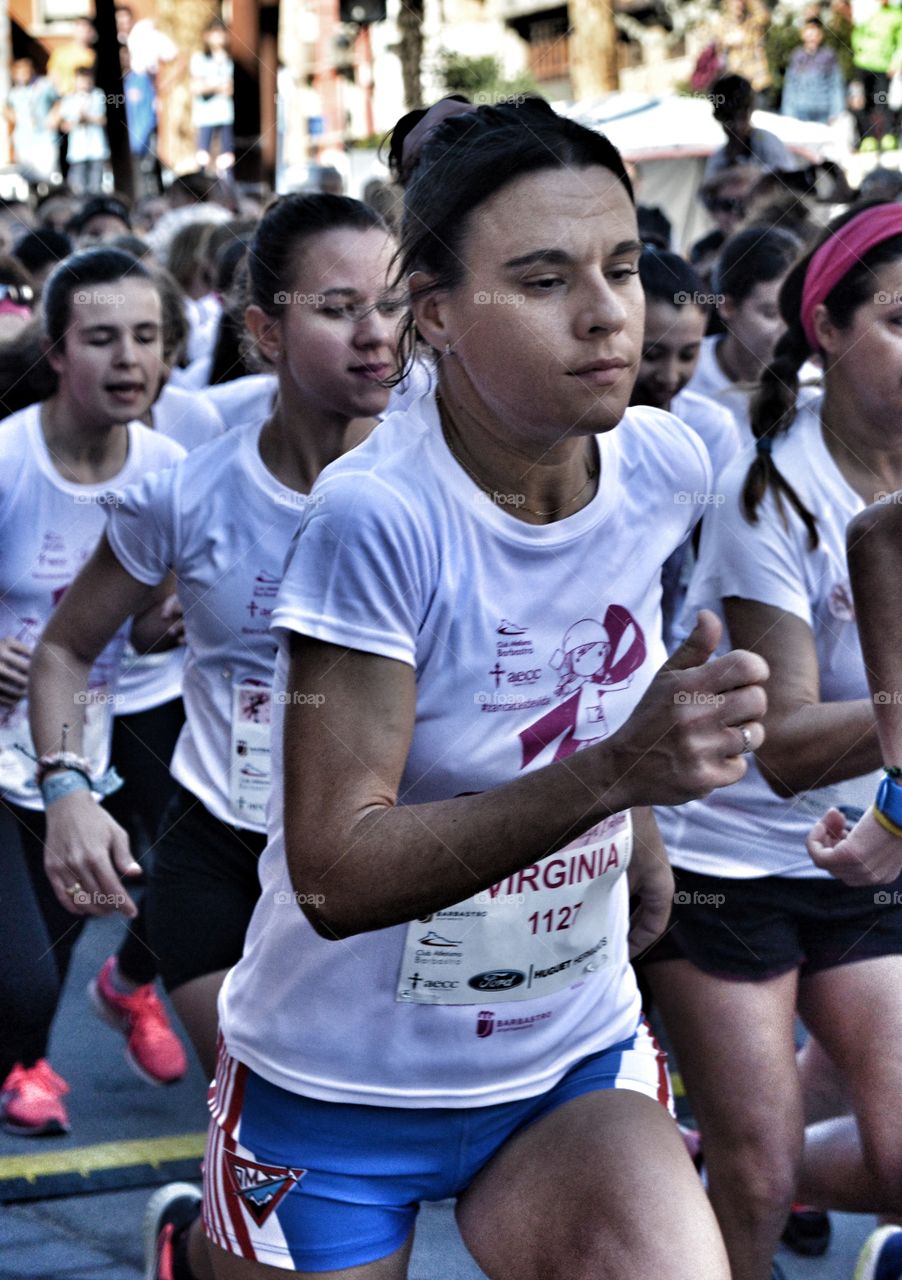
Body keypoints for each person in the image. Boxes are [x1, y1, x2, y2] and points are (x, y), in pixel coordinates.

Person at [197, 98, 766, 1279]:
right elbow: (335, 869)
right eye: (545, 279)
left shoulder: (667, 459)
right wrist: (617, 777)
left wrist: (639, 822)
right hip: (336, 1077)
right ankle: (195, 1245)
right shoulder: (378, 515)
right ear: (438, 314)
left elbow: (599, 672)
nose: (609, 310)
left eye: (620, 266)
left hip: (565, 1055)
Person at [28, 193, 401, 1280]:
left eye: (390, 304)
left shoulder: (449, 481)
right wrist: (67, 788)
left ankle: (194, 1251)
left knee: (333, 1173)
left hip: (386, 855)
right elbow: (65, 649)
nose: (375, 331)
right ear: (264, 330)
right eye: (339, 307)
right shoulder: (189, 488)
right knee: (275, 1128)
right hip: (227, 853)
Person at [646, 201, 902, 1280]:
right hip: (724, 865)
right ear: (827, 329)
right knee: (753, 1179)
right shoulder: (767, 495)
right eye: (899, 318)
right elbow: (786, 745)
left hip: (869, 843)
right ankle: (711, 1187)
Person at [0, 248, 188, 1136]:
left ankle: (104, 1005)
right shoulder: (8, 459)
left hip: (115, 722)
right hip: (5, 739)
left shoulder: (167, 466)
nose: (128, 360)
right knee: (26, 970)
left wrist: (171, 622)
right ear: (58, 352)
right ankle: (23, 1052)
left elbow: (151, 621)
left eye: (146, 338)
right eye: (103, 339)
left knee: (186, 874)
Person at [629, 247, 742, 648]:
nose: (670, 375)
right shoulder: (578, 425)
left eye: (688, 355)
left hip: (666, 637)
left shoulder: (709, 429)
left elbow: (714, 554)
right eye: (652, 354)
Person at [685, 225, 803, 438]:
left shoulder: (812, 392)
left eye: (795, 315)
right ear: (727, 307)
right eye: (770, 313)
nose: (786, 331)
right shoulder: (683, 374)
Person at [705, 75, 797, 181]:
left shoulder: (766, 143)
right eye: (727, 118)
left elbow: (790, 182)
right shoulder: (718, 159)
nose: (734, 126)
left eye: (739, 116)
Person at [851, 0, 902, 150]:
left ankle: (887, 135)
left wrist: (896, 63)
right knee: (864, 103)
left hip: (882, 67)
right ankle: (867, 138)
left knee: (881, 101)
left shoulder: (897, 15)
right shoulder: (871, 13)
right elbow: (859, 33)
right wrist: (858, 53)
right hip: (863, 64)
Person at [5, 58, 60, 188]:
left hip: (44, 137)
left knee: (48, 175)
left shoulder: (44, 86)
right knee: (28, 177)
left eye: (25, 72)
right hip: (24, 139)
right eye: (19, 73)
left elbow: (59, 102)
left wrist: (54, 116)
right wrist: (13, 118)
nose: (23, 76)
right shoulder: (15, 93)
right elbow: (6, 108)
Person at [191, 20, 234, 174]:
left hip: (224, 114)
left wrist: (211, 86)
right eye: (214, 32)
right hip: (205, 115)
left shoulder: (228, 60)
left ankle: (227, 188)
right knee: (203, 154)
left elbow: (229, 88)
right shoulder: (200, 58)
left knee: (226, 156)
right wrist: (217, 87)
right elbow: (197, 87)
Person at [59, 67, 109, 196]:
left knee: (95, 186)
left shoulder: (97, 95)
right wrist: (76, 120)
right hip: (78, 150)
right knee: (78, 186)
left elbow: (102, 119)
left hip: (96, 148)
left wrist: (87, 117)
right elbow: (64, 125)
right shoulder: (68, 99)